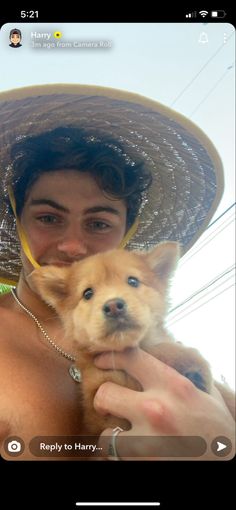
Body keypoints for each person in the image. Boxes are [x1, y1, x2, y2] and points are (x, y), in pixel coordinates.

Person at [0, 84, 234, 461]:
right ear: (17, 223)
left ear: (128, 233)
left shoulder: (160, 346)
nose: (73, 246)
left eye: (98, 224)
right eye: (48, 217)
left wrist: (223, 441)